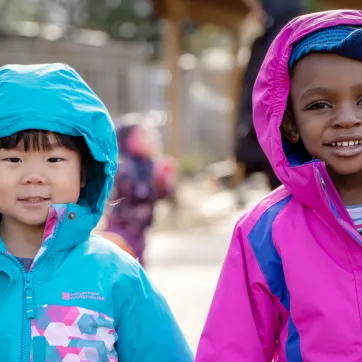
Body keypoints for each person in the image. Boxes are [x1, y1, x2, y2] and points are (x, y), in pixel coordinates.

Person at [196, 10, 362, 361]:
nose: (347, 118)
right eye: (320, 104)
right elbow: (232, 349)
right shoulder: (266, 230)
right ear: (289, 123)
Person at [0, 63, 193, 361]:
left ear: (85, 172)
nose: (33, 176)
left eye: (53, 159)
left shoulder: (116, 275)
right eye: (12, 159)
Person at [235, 0, 306, 192]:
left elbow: (263, 89)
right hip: (275, 140)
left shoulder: (283, 36)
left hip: (283, 139)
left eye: (257, 6)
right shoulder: (266, 37)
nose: (255, 13)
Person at [106, 121, 177, 266]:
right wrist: (156, 178)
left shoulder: (148, 163)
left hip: (139, 228)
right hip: (122, 226)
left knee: (138, 262)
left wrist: (165, 181)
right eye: (146, 135)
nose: (154, 139)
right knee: (123, 262)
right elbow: (138, 193)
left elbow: (163, 195)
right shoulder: (124, 165)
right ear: (132, 141)